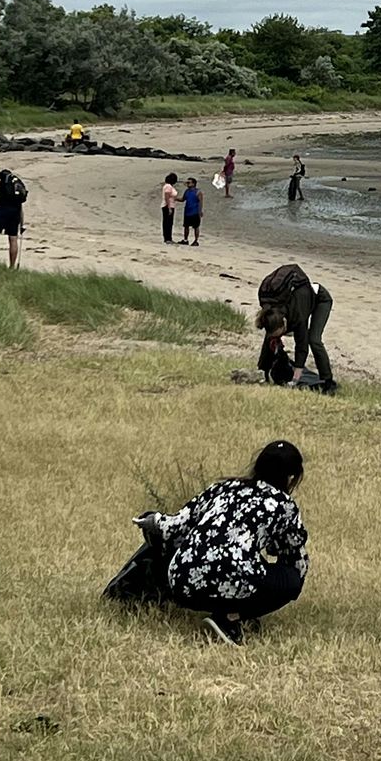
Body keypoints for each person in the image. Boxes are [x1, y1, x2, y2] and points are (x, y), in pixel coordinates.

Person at [132, 440, 309, 645]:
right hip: (228, 582)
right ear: (291, 478)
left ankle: (144, 592)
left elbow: (174, 526)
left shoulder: (224, 487)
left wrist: (153, 519)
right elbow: (293, 551)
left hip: (181, 584)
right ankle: (230, 618)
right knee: (292, 578)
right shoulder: (284, 505)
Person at [256, 264, 337, 393]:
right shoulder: (270, 312)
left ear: (284, 322)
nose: (280, 335)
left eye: (281, 332)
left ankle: (327, 381)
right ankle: (264, 372)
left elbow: (301, 344)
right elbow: (269, 340)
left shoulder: (297, 313)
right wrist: (263, 370)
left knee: (313, 339)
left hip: (320, 300)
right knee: (271, 337)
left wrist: (295, 379)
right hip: (301, 300)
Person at [181, 177, 203, 246]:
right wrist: (174, 198)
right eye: (187, 183)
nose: (187, 184)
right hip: (187, 211)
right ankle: (185, 239)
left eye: (189, 183)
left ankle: (196, 240)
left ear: (193, 184)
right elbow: (183, 199)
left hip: (195, 212)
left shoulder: (198, 192)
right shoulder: (187, 191)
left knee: (196, 227)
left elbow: (200, 202)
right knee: (186, 226)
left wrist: (200, 211)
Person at [161, 172, 179, 245]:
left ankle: (168, 238)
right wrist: (169, 208)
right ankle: (167, 238)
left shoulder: (168, 186)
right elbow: (167, 197)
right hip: (168, 206)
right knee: (168, 222)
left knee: (168, 222)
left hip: (169, 205)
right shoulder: (168, 187)